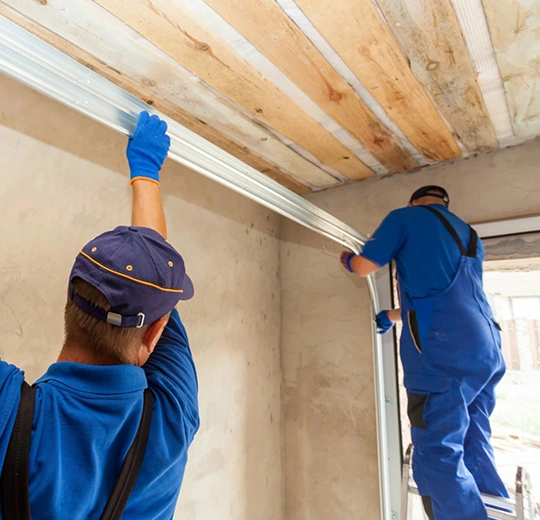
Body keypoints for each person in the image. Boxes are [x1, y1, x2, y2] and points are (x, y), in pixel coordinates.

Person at [0, 111, 199, 519]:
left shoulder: (8, 411)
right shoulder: (172, 415)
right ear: (154, 332)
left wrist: (147, 173)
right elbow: (153, 278)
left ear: (68, 302)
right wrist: (145, 170)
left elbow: (153, 279)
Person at [340, 186, 508, 520]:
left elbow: (362, 267)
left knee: (436, 455)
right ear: (445, 205)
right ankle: (497, 509)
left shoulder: (404, 218)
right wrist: (390, 316)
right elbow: (446, 299)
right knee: (473, 439)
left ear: (411, 202)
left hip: (444, 357)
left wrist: (346, 258)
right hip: (485, 346)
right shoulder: (469, 234)